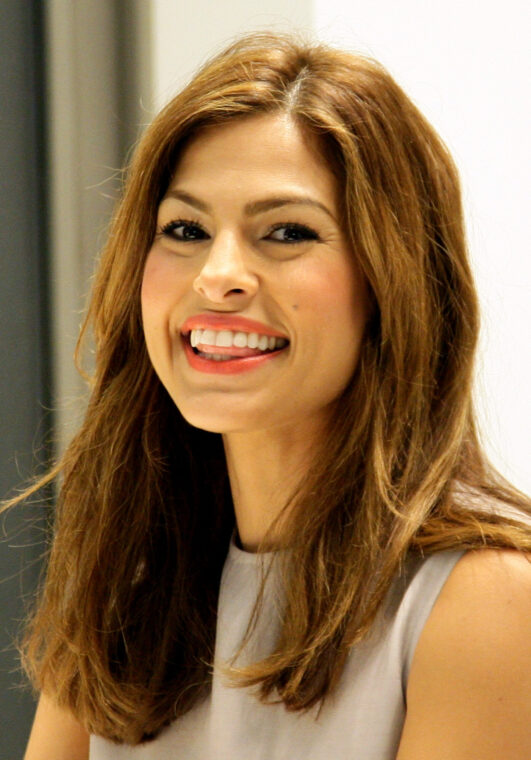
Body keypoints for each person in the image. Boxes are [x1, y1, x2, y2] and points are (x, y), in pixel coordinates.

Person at [20, 32, 530, 759]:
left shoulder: (486, 601)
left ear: (393, 285)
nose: (217, 274)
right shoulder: (125, 592)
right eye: (185, 229)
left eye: (287, 232)